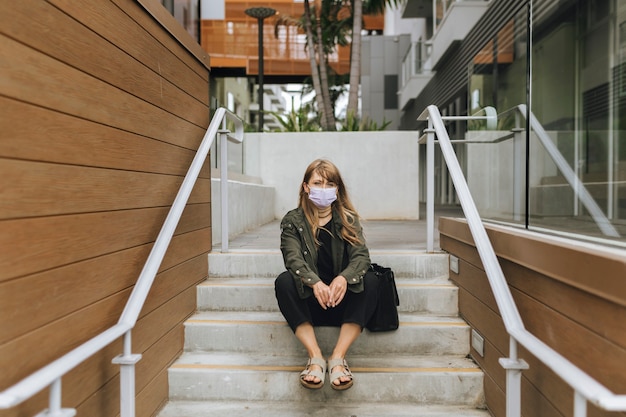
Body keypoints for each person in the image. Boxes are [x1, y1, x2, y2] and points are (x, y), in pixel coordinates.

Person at [274, 159, 379, 391]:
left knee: (371, 279)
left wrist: (343, 278)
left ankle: (338, 359)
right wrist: (315, 283)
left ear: (337, 189)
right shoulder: (293, 221)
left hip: (343, 304)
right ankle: (315, 358)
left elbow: (361, 257)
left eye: (330, 183)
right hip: (311, 303)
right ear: (306, 187)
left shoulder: (348, 219)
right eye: (317, 183)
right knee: (284, 282)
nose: (323, 189)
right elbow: (293, 259)